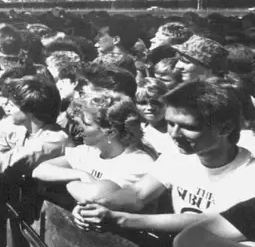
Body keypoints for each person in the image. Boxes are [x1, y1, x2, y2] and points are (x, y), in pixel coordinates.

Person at [72, 80, 255, 235]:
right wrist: (96, 206)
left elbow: (211, 222)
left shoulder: (248, 175)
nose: (174, 134)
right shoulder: (178, 156)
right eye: (170, 123)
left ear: (225, 128)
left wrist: (123, 219)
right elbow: (138, 194)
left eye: (188, 127)